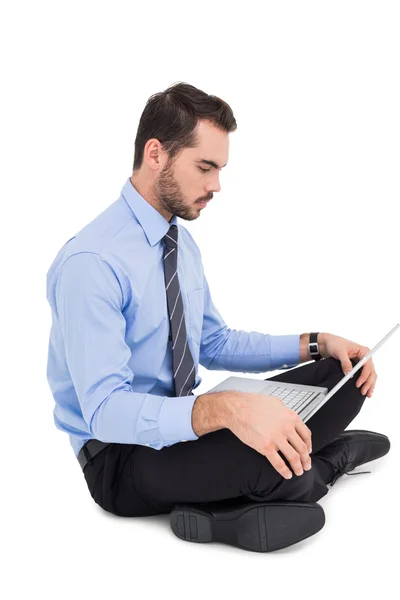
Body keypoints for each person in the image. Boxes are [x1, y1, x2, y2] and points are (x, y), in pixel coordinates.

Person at [46, 81, 390, 553]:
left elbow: (214, 343)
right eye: (205, 167)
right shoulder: (92, 263)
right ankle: (329, 463)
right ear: (156, 154)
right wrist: (225, 409)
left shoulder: (179, 244)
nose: (216, 186)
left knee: (343, 374)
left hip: (186, 428)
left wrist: (318, 341)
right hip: (121, 461)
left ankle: (285, 475)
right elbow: (104, 412)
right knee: (282, 466)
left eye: (220, 169)